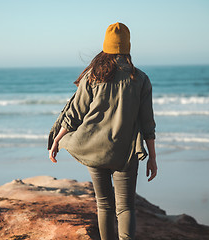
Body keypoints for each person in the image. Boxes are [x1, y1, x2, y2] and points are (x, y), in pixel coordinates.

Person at [48, 22, 157, 240]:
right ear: (127, 47)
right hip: (126, 153)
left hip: (93, 148)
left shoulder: (93, 76)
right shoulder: (140, 79)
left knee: (104, 204)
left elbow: (74, 115)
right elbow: (148, 124)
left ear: (106, 47)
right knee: (125, 207)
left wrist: (57, 140)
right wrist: (152, 158)